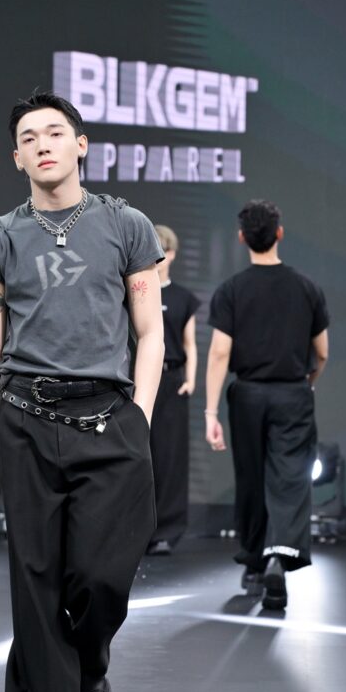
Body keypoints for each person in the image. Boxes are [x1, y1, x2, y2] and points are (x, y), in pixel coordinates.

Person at [0, 91, 164, 692]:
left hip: (109, 419)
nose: (42, 143)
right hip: (25, 419)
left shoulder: (126, 225)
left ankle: (90, 665)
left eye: (55, 132)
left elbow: (150, 333)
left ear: (81, 145)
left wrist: (139, 416)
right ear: (16, 158)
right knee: (36, 583)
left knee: (101, 577)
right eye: (28, 137)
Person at [205, 200, 329, 610]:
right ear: (279, 233)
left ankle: (255, 565)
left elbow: (219, 353)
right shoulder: (307, 287)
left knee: (252, 478)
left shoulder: (231, 290)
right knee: (290, 478)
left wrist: (210, 412)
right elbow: (322, 352)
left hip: (248, 395)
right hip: (293, 393)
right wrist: (307, 383)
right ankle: (280, 555)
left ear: (242, 238)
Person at [146, 225, 199, 554]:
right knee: (141, 456)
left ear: (173, 255)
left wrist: (190, 380)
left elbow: (190, 344)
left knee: (171, 457)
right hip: (142, 380)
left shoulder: (183, 298)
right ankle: (139, 530)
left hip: (172, 380)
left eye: (164, 252)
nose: (159, 259)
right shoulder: (137, 292)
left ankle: (167, 531)